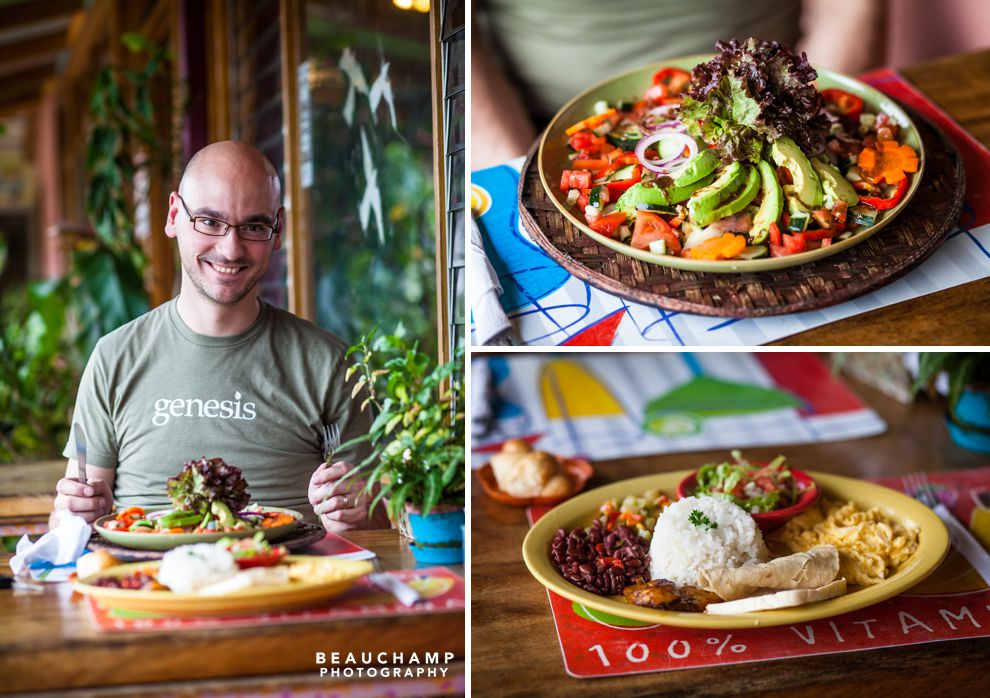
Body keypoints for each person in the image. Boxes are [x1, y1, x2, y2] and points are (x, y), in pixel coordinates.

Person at [52, 141, 390, 534]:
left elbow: (380, 527)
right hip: (145, 586)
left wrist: (358, 513)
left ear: (277, 231)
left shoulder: (328, 363)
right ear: (174, 215)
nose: (231, 249)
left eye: (253, 227)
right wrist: (70, 516)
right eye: (210, 222)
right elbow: (71, 523)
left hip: (289, 584)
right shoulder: (114, 357)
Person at [472, 0, 889, 169]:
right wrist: (519, 171)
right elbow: (449, 33)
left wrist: (811, 120)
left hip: (781, 111)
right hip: (536, 131)